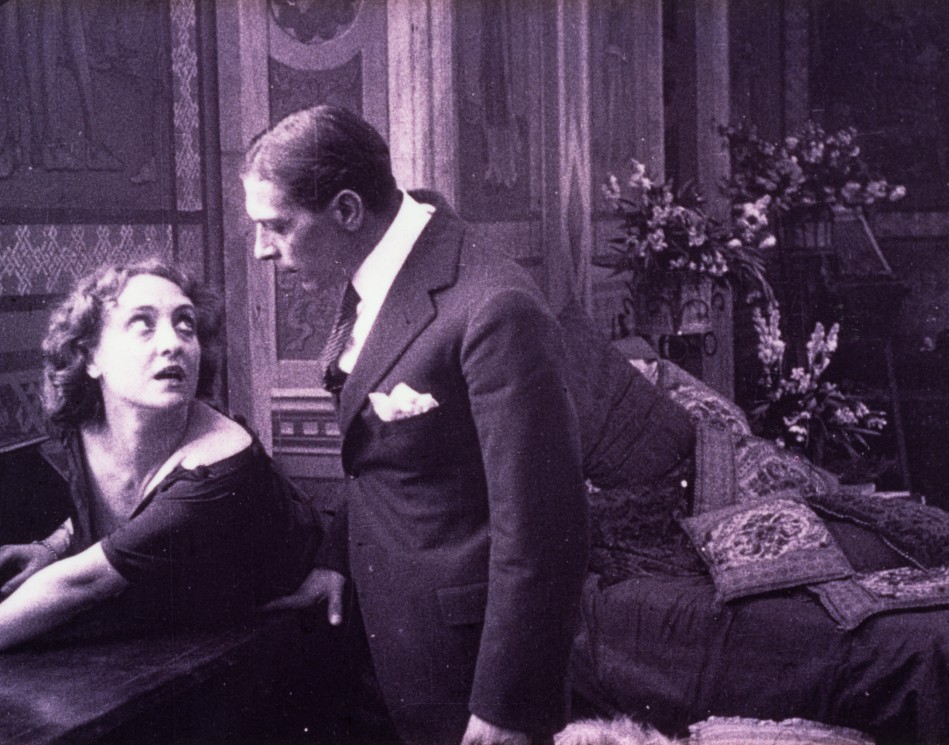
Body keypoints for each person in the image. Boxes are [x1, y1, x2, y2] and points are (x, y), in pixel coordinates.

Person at [246, 105, 589, 745]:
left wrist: (510, 704)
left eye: (278, 226)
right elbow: (380, 459)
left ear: (347, 210)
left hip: (465, 667)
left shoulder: (494, 305)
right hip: (379, 634)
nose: (263, 249)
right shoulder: (376, 269)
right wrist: (336, 558)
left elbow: (546, 527)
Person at [0, 259, 321, 649]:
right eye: (143, 324)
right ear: (91, 356)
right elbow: (127, 505)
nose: (173, 343)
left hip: (285, 612)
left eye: (186, 324)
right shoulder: (82, 425)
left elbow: (86, 582)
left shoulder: (221, 459)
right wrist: (51, 547)